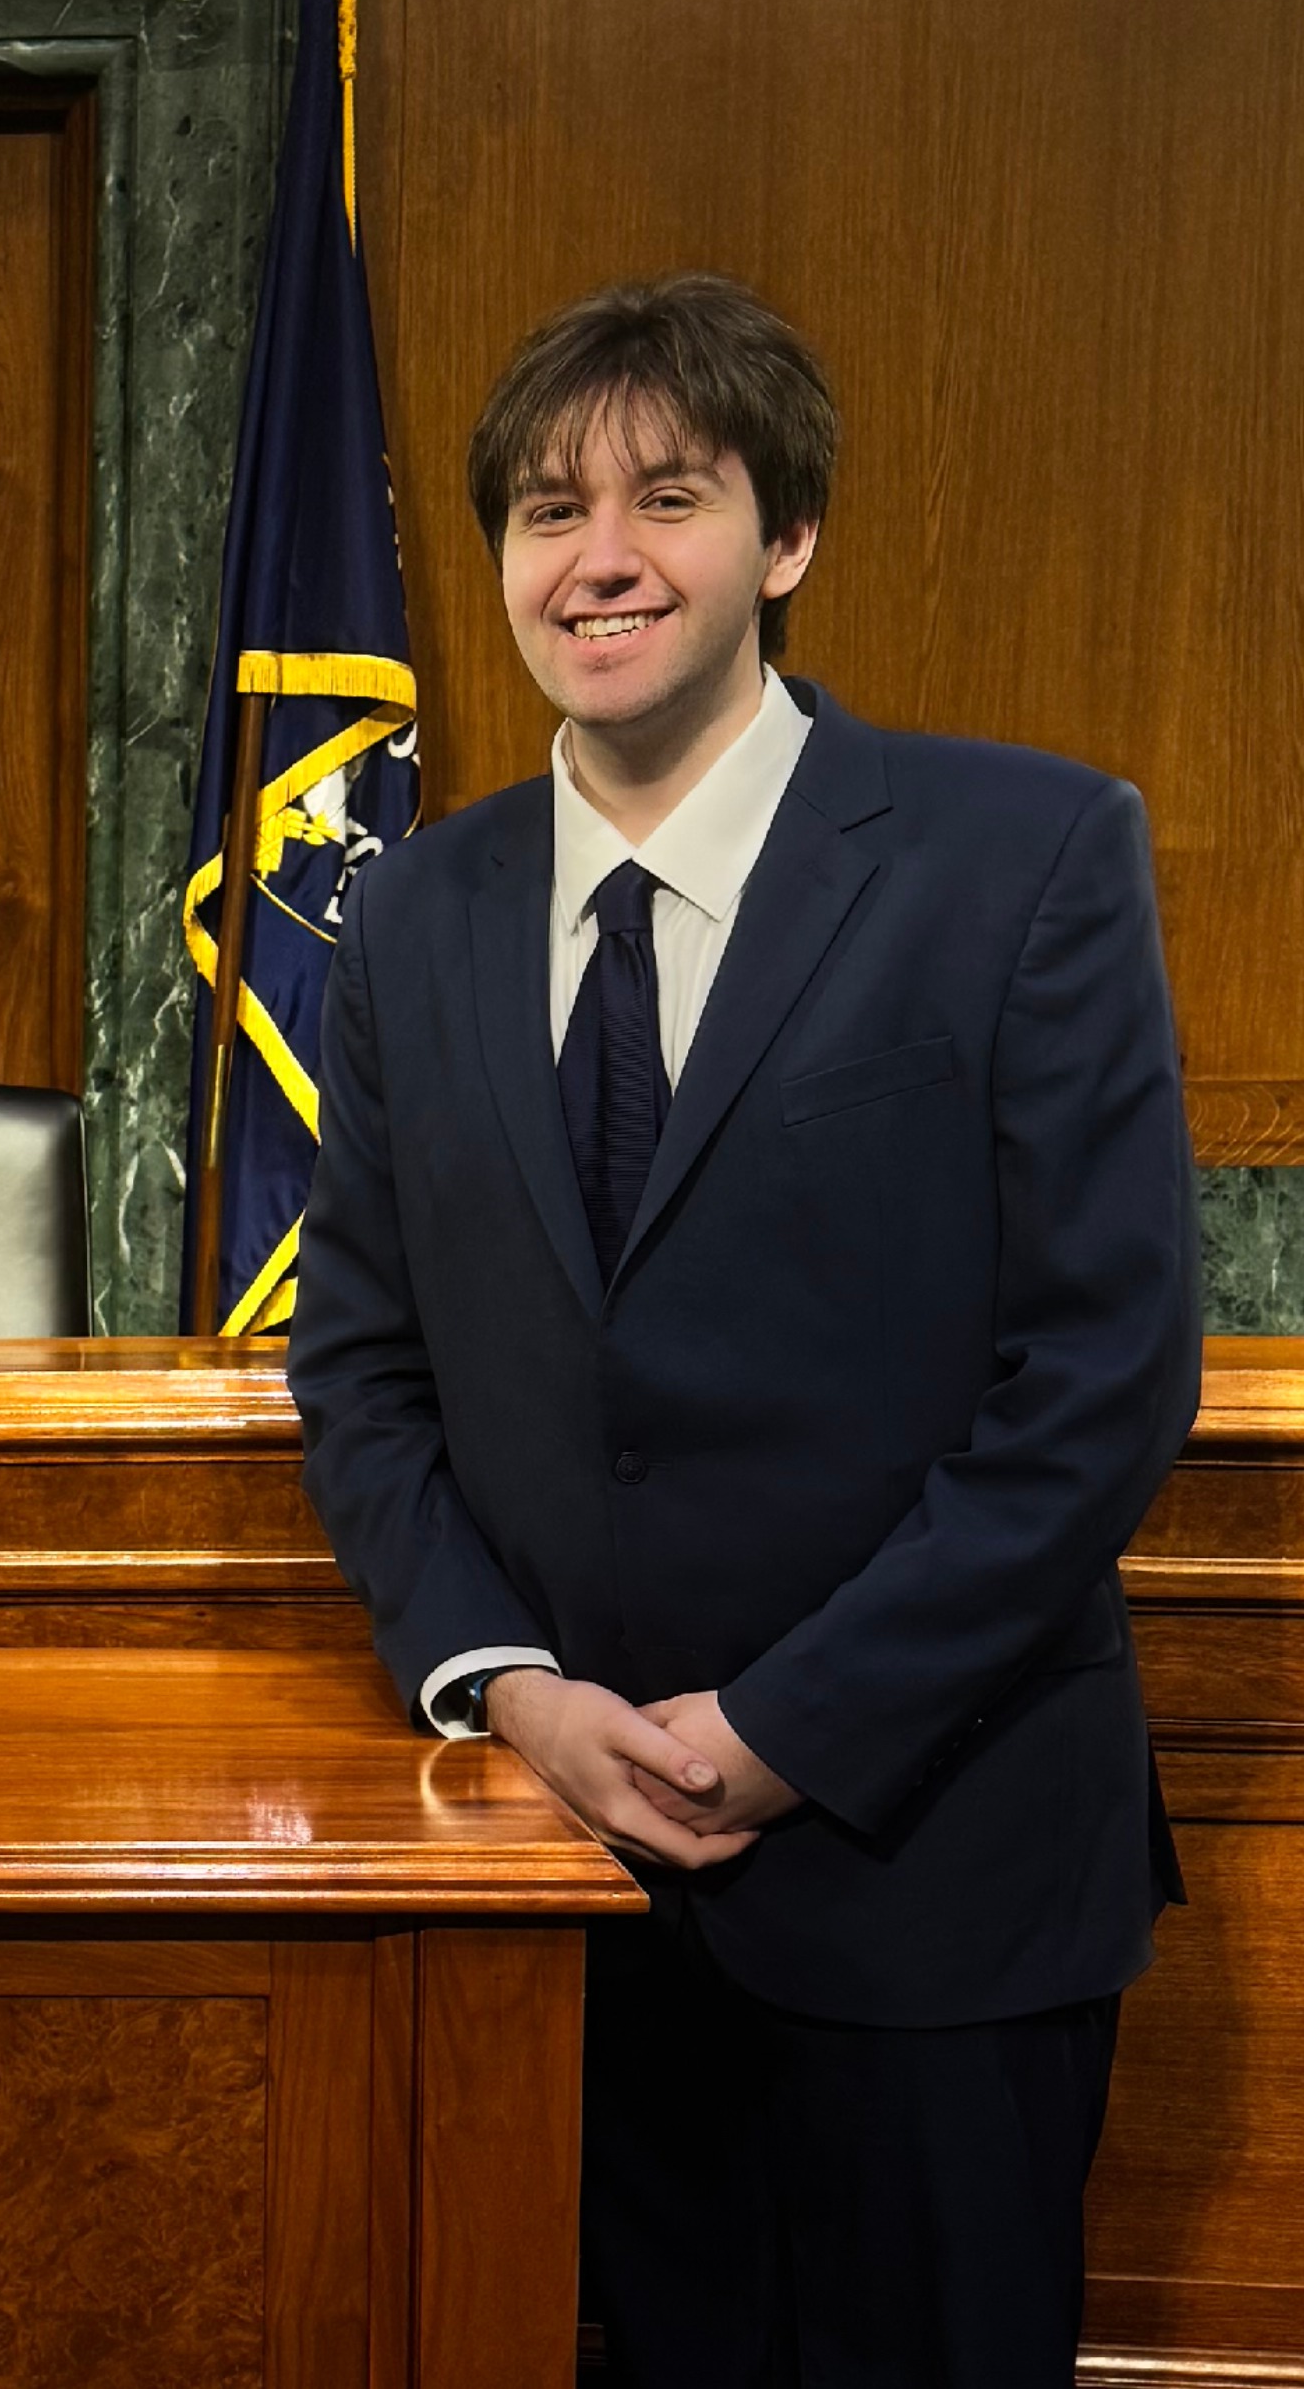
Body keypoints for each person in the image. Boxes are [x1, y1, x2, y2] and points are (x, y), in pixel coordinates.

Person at [290, 276, 1197, 2382]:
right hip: (565, 1893)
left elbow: (1099, 1378)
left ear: (786, 538)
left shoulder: (1025, 855)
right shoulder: (413, 911)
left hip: (931, 1876)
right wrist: (510, 1690)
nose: (597, 559)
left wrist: (786, 1729)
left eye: (667, 500)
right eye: (547, 512)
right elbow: (365, 1365)